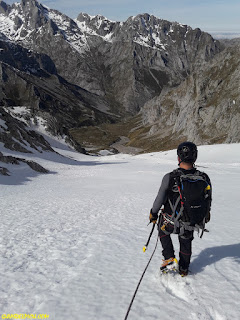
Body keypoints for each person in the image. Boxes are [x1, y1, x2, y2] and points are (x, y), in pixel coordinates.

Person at [149, 142, 212, 276]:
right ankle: (184, 269)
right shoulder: (204, 177)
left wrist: (153, 214)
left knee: (162, 229)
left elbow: (159, 199)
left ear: (179, 157)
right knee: (186, 240)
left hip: (171, 221)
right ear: (195, 157)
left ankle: (169, 258)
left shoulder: (170, 177)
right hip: (191, 221)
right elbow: (208, 198)